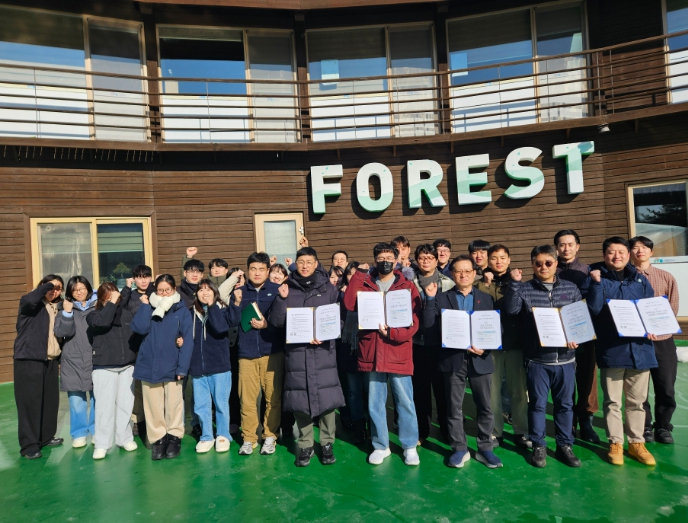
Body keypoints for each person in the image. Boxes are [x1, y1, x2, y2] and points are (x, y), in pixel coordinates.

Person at [344, 242, 423, 466]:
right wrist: (359, 275)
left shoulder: (407, 286)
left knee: (405, 401)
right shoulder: (366, 283)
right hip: (372, 351)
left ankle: (409, 445)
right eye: (380, 258)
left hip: (398, 350)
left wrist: (394, 334)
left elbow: (415, 319)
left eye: (389, 258)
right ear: (374, 260)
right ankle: (381, 445)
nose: (385, 262)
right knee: (375, 402)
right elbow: (349, 303)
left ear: (396, 261)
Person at [505, 245, 583, 468]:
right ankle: (539, 445)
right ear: (532, 265)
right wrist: (514, 285)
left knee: (565, 405)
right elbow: (511, 310)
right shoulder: (525, 289)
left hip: (566, 359)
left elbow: (579, 318)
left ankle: (564, 445)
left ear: (556, 263)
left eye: (548, 263)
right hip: (538, 360)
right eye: (538, 263)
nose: (543, 267)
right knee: (538, 405)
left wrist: (576, 336)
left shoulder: (570, 288)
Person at [424, 255, 502, 469]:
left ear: (474, 273)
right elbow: (430, 329)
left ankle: (485, 448)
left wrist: (486, 346)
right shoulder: (441, 298)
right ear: (452, 274)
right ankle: (459, 448)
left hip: (480, 359)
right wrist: (429, 299)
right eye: (459, 271)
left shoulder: (486, 298)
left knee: (485, 406)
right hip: (453, 360)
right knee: (454, 407)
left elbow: (496, 328)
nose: (463, 275)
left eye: (468, 271)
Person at [269, 247, 345, 467]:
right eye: (301, 262)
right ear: (296, 263)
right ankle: (305, 445)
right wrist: (282, 299)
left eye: (309, 262)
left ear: (316, 264)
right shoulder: (287, 288)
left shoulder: (329, 289)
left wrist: (327, 333)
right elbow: (276, 322)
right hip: (297, 354)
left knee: (327, 402)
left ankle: (327, 443)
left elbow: (340, 319)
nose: (304, 266)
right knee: (300, 402)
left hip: (323, 354)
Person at [587, 237, 658, 466]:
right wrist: (596, 284)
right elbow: (593, 310)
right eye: (611, 252)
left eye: (621, 252)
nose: (616, 256)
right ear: (604, 255)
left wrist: (654, 326)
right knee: (612, 402)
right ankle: (616, 443)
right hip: (612, 349)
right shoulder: (596, 278)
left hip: (641, 349)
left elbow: (650, 309)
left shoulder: (640, 280)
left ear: (628, 255)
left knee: (637, 401)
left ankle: (636, 442)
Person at [131, 274, 194, 460]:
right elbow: (139, 328)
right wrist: (144, 306)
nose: (164, 293)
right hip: (149, 364)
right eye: (160, 290)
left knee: (174, 404)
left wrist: (182, 368)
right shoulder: (149, 307)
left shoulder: (182, 310)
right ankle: (158, 439)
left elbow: (188, 341)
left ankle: (174, 436)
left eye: (168, 290)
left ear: (174, 289)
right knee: (153, 406)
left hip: (173, 365)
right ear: (155, 291)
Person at [228, 252, 283, 456]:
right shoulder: (240, 292)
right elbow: (231, 322)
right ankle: (249, 438)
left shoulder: (277, 291)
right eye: (253, 269)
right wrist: (236, 303)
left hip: (272, 352)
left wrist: (268, 325)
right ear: (247, 271)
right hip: (246, 354)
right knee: (247, 399)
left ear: (268, 271)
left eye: (261, 269)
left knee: (272, 398)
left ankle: (270, 435)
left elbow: (284, 321)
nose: (257, 273)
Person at [477, 245, 530, 448]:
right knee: (493, 393)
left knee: (519, 391)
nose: (498, 261)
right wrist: (486, 284)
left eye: (502, 257)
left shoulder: (518, 283)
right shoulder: (480, 283)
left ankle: (521, 431)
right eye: (494, 258)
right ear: (488, 261)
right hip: (491, 347)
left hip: (515, 344)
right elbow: (481, 307)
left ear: (509, 260)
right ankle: (495, 431)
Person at [630, 236, 679, 445]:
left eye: (644, 247)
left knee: (665, 385)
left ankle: (663, 426)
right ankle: (645, 426)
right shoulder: (625, 278)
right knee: (638, 388)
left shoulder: (665, 277)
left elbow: (672, 308)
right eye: (635, 247)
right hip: (636, 340)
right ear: (630, 252)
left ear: (651, 251)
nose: (640, 251)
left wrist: (658, 329)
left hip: (662, 340)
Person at [554, 229, 600, 443]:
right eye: (562, 244)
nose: (566, 248)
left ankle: (586, 420)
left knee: (587, 377)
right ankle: (568, 421)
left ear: (577, 246)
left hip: (584, 333)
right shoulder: (550, 270)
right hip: (558, 335)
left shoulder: (588, 271)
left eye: (570, 244)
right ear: (556, 248)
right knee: (564, 380)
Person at [14, 275, 65, 459]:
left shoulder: (56, 307)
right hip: (30, 359)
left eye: (58, 288)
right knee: (30, 404)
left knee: (50, 401)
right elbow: (30, 299)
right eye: (51, 287)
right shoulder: (30, 304)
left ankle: (45, 437)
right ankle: (29, 446)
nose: (54, 291)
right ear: (42, 286)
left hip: (50, 360)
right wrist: (48, 285)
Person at [86, 282, 138, 459]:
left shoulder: (127, 313)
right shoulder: (93, 315)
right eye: (107, 299)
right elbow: (103, 323)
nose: (113, 301)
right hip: (104, 366)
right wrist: (111, 304)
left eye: (115, 297)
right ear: (101, 300)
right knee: (104, 408)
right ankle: (102, 444)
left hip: (127, 366)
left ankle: (125, 438)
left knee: (126, 405)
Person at [410, 243, 454, 443]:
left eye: (430, 258)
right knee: (420, 390)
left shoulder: (448, 283)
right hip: (417, 344)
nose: (426, 261)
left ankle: (446, 429)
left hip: (442, 345)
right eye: (422, 258)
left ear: (437, 260)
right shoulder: (408, 284)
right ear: (417, 261)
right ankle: (422, 430)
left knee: (443, 390)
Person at [187, 279, 233, 454]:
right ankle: (206, 436)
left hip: (219, 366)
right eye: (201, 290)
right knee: (201, 405)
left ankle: (223, 435)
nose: (204, 293)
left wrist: (212, 306)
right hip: (198, 367)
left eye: (208, 289)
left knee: (221, 403)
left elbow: (220, 328)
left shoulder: (222, 309)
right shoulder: (191, 313)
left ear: (215, 292)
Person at [53, 276, 97, 449]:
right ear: (70, 292)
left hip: (95, 358)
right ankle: (79, 433)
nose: (79, 292)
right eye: (75, 290)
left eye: (82, 288)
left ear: (88, 289)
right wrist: (67, 313)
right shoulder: (64, 308)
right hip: (72, 360)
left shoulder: (97, 306)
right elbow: (61, 332)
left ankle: (96, 430)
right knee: (76, 401)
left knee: (97, 398)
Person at [123, 264, 154, 439]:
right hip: (134, 344)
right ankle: (137, 420)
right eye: (139, 277)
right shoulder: (130, 295)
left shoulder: (155, 293)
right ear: (134, 279)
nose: (143, 280)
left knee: (152, 384)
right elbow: (120, 306)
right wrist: (127, 288)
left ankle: (153, 420)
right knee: (136, 386)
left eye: (146, 276)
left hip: (152, 344)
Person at [338, 261, 368, 444]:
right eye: (350, 274)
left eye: (357, 273)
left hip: (367, 349)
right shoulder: (340, 295)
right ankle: (358, 426)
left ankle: (371, 426)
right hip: (348, 349)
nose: (354, 277)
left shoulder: (371, 294)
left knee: (370, 391)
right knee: (353, 391)